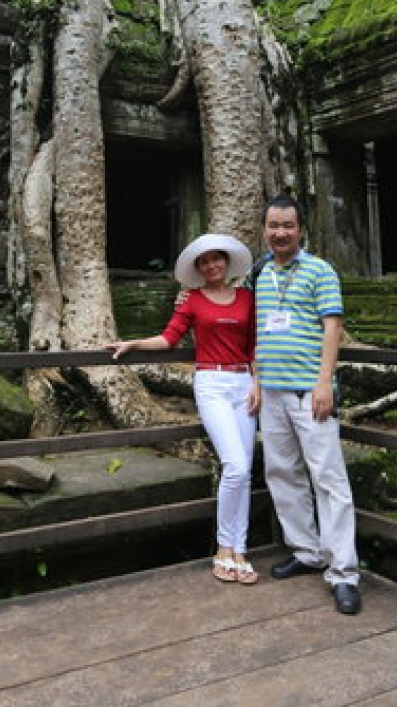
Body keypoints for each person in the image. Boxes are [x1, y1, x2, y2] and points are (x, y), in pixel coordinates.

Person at [107, 233, 258, 584]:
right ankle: (223, 548)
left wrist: (258, 384)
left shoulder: (249, 299)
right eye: (204, 262)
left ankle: (240, 549)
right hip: (212, 385)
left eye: (216, 259)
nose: (211, 266)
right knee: (234, 466)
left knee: (245, 471)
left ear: (227, 262)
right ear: (198, 269)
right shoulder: (191, 300)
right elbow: (169, 338)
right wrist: (133, 343)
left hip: (244, 385)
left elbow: (254, 347)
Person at [252, 194, 361, 615]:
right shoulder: (259, 274)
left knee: (329, 479)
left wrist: (324, 384)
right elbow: (259, 334)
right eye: (273, 225)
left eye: (288, 226)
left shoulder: (321, 270)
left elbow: (332, 328)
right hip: (273, 393)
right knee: (281, 472)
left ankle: (344, 573)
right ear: (264, 229)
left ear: (301, 229)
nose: (280, 233)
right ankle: (307, 550)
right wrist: (258, 383)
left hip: (308, 391)